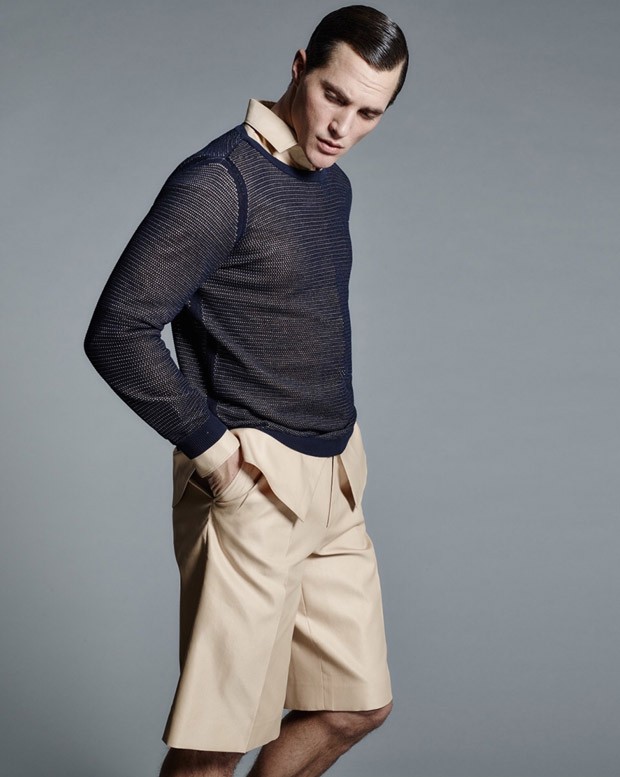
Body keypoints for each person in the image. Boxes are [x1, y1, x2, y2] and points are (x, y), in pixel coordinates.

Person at [84, 5, 408, 776]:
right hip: (252, 483)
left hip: (335, 477)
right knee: (216, 744)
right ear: (299, 68)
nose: (343, 127)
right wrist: (217, 457)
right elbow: (118, 329)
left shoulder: (332, 189)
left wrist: (345, 459)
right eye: (333, 96)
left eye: (369, 113)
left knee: (356, 704)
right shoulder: (220, 181)